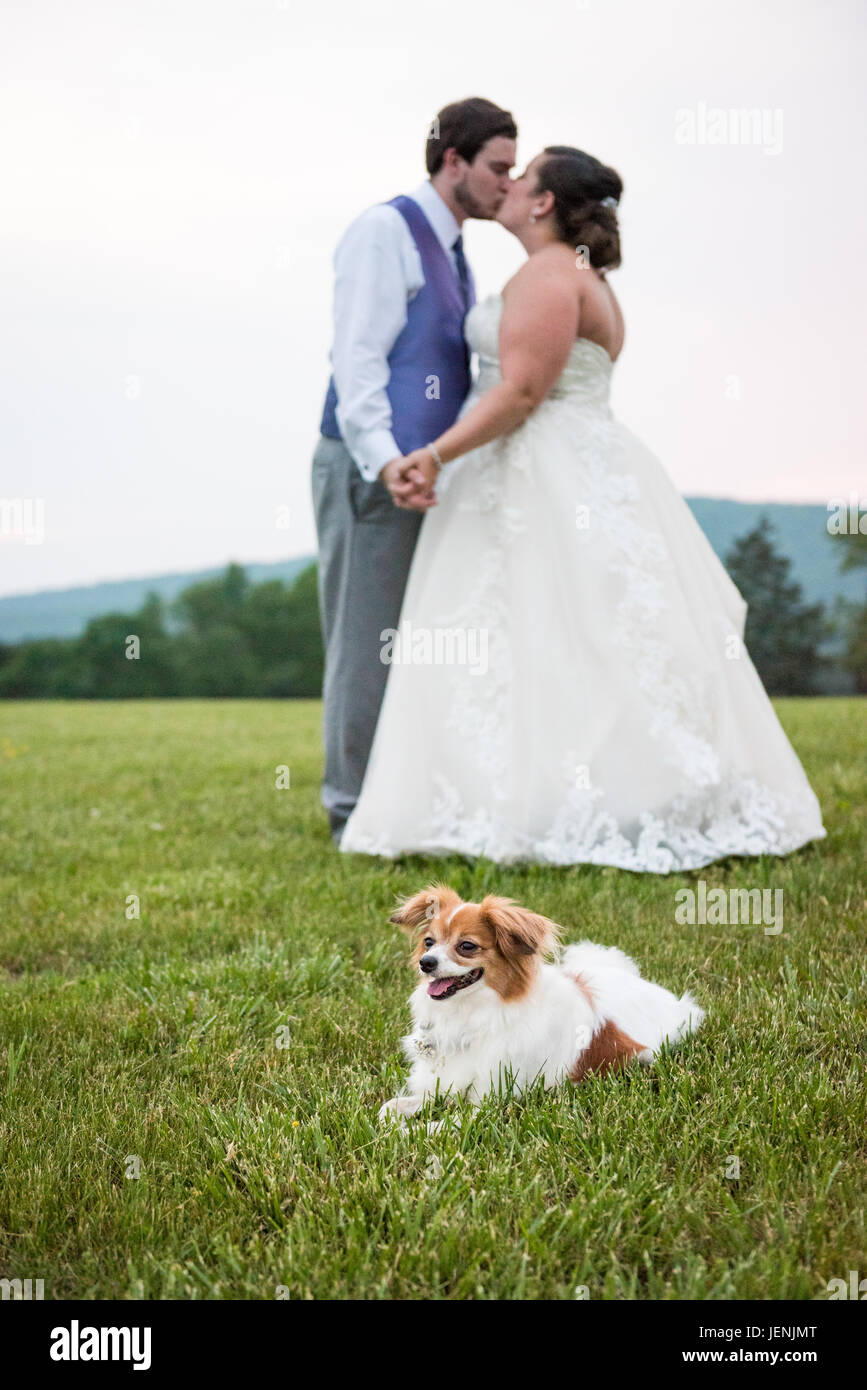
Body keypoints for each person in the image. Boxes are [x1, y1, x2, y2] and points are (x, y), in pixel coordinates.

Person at [339, 147, 826, 871]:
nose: (506, 184)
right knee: (574, 639)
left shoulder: (547, 273)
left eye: (521, 174)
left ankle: (554, 804)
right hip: (583, 462)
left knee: (554, 634)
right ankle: (562, 792)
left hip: (545, 469)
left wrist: (434, 454)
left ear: (542, 202)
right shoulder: (581, 274)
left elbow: (522, 393)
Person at [312, 97, 517, 842]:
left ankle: (396, 800)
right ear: (452, 160)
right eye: (497, 167)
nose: (507, 182)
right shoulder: (383, 231)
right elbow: (358, 356)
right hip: (372, 468)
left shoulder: (455, 249)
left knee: (414, 637)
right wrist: (385, 460)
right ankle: (349, 812)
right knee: (366, 642)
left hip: (423, 478)